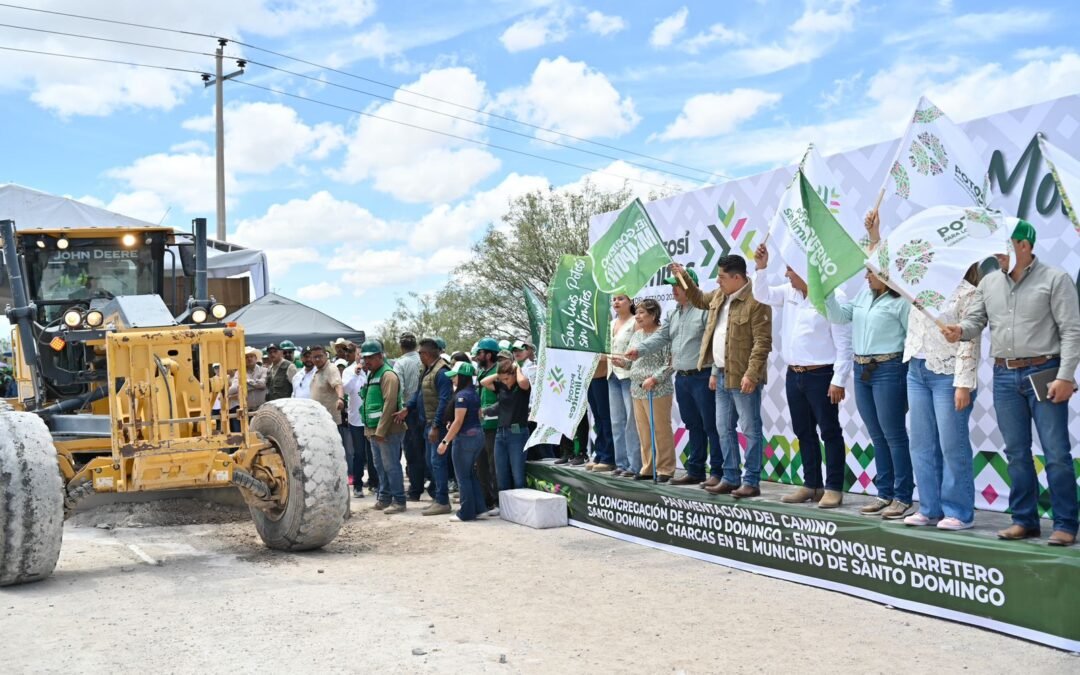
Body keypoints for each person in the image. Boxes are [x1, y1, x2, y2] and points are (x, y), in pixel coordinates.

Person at [944, 220, 1080, 546]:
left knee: (1056, 452)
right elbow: (975, 321)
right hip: (1004, 375)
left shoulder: (1055, 279)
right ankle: (1024, 521)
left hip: (1045, 371)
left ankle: (1065, 524)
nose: (997, 254)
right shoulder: (989, 282)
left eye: (1003, 247)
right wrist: (959, 330)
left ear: (1024, 245)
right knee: (1016, 453)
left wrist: (1065, 375)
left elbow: (1072, 330)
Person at [826, 212, 912, 520]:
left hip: (890, 369)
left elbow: (911, 341)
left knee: (894, 434)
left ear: (885, 274)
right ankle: (884, 493)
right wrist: (826, 293)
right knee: (877, 434)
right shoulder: (864, 294)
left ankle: (903, 496)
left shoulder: (902, 301)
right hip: (862, 371)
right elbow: (839, 315)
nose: (866, 276)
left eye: (871, 271)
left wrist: (876, 234)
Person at [753, 245, 851, 508]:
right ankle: (812, 485)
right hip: (794, 374)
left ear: (806, 271)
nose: (787, 275)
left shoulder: (834, 297)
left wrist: (839, 380)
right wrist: (761, 268)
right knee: (804, 432)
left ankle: (833, 488)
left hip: (822, 375)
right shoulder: (790, 292)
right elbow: (762, 294)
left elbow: (844, 343)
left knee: (829, 432)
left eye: (790, 270)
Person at [674, 257, 773, 498]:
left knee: (750, 428)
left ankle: (751, 481)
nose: (718, 281)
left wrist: (751, 374)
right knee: (723, 428)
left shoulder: (757, 299)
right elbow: (698, 298)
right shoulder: (719, 295)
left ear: (737, 277)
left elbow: (762, 342)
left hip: (744, 376)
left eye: (721, 277)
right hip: (720, 373)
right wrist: (682, 276)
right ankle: (730, 477)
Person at [626, 267, 722, 488]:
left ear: (691, 286)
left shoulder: (705, 310)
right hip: (683, 378)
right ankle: (696, 470)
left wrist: (715, 373)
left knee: (711, 425)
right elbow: (660, 337)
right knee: (692, 424)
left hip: (703, 375)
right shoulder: (673, 314)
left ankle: (718, 472)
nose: (674, 290)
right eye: (672, 286)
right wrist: (639, 350)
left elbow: (716, 342)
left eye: (678, 285)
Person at [901, 264, 981, 530]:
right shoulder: (917, 285)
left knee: (952, 445)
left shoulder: (968, 293)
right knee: (921, 444)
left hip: (948, 375)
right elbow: (889, 273)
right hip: (916, 370)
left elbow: (971, 341)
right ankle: (929, 508)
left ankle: (959, 512)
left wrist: (963, 384)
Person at [395, 338, 453, 516]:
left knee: (437, 463)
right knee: (430, 462)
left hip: (436, 425)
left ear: (426, 354)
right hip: (426, 423)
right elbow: (418, 393)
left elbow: (444, 401)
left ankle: (442, 500)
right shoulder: (427, 370)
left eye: (420, 353)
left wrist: (436, 426)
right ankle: (438, 497)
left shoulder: (442, 372)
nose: (418, 355)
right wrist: (407, 408)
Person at [627, 299, 676, 482]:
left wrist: (654, 378)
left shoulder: (663, 334)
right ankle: (648, 467)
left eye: (642, 313)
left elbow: (670, 363)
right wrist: (622, 362)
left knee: (661, 430)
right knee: (644, 431)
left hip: (657, 389)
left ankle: (665, 468)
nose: (637, 316)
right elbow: (630, 361)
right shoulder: (636, 334)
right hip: (637, 389)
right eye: (636, 313)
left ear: (653, 315)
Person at [441, 361, 494, 521]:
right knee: (470, 474)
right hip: (477, 436)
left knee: (463, 477)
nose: (452, 379)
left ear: (462, 377)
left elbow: (458, 422)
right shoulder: (474, 393)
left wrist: (445, 442)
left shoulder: (462, 396)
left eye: (455, 376)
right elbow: (476, 416)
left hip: (465, 438)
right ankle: (480, 509)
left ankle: (466, 513)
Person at [361, 339, 409, 514]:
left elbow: (390, 404)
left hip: (388, 431)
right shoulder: (372, 374)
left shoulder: (388, 375)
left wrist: (381, 431)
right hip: (374, 429)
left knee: (391, 466)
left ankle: (399, 501)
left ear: (380, 356)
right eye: (365, 358)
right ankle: (384, 498)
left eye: (371, 357)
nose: (367, 361)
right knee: (379, 466)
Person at [481, 358, 532, 491]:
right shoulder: (501, 387)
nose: (505, 382)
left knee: (518, 476)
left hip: (517, 433)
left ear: (514, 374)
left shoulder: (521, 387)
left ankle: (521, 503)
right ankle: (504, 503)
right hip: (500, 433)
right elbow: (484, 382)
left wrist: (517, 368)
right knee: (501, 475)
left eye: (507, 379)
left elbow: (523, 382)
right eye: (502, 379)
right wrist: (498, 374)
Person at [608, 294, 642, 478]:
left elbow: (640, 349)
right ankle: (621, 463)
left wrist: (626, 361)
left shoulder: (635, 322)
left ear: (630, 302)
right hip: (612, 375)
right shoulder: (611, 324)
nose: (616, 302)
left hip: (628, 375)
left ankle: (635, 465)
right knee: (616, 421)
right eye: (614, 299)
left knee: (631, 421)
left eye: (621, 299)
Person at [394, 332, 426, 502]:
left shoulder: (400, 363)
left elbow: (398, 388)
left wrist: (400, 410)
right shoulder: (424, 360)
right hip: (426, 409)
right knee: (426, 449)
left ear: (401, 346)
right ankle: (431, 486)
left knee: (412, 451)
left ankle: (415, 489)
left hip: (409, 411)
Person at [472, 338, 501, 510]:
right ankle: (486, 501)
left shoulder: (498, 372)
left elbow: (504, 399)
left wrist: (487, 411)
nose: (477, 356)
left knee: (493, 466)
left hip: (494, 427)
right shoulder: (482, 372)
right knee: (481, 466)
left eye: (480, 353)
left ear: (489, 355)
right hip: (481, 427)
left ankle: (497, 502)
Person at [342, 351, 370, 498]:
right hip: (356, 420)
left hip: (372, 419)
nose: (363, 358)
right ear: (356, 356)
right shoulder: (349, 371)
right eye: (360, 354)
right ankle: (357, 485)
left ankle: (375, 483)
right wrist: (355, 374)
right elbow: (346, 390)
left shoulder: (374, 370)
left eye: (365, 355)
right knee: (359, 453)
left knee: (373, 453)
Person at [585, 357, 616, 472]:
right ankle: (600, 453)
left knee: (605, 416)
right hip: (588, 374)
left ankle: (608, 457)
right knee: (597, 417)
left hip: (602, 374)